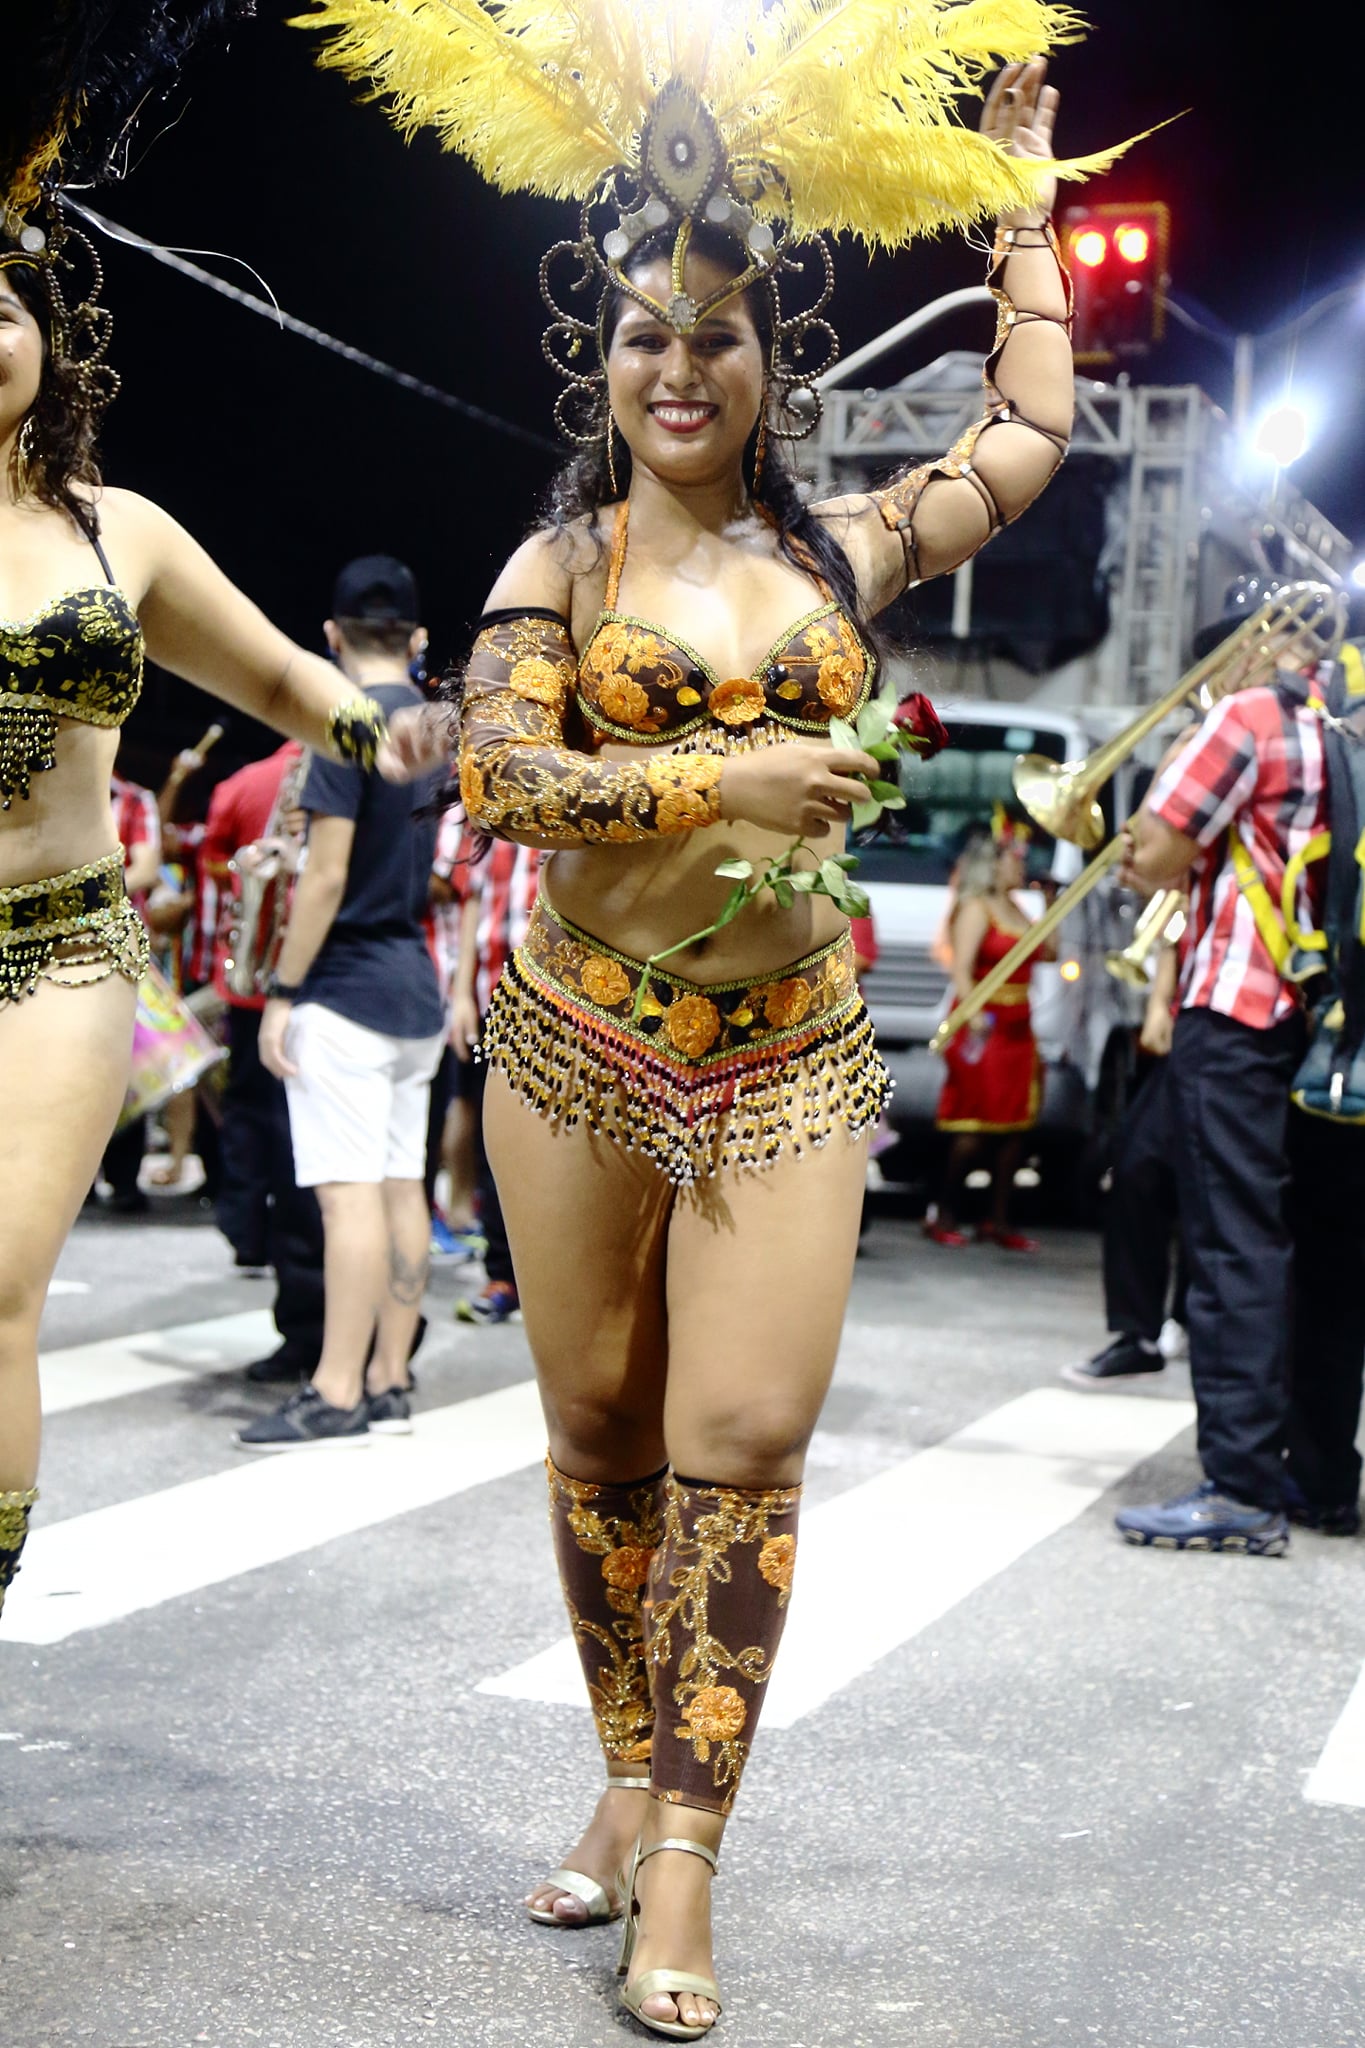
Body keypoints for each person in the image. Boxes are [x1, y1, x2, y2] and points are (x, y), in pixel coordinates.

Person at [336, 7, 1088, 2024]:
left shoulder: (840, 555)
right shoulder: (561, 566)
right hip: (579, 1044)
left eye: (719, 334)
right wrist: (717, 777)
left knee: (741, 1440)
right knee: (598, 1433)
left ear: (771, 356)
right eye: (646, 334)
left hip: (787, 1056)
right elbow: (503, 777)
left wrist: (1024, 219)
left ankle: (683, 1854)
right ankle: (622, 1765)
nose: (680, 365)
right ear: (600, 356)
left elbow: (1024, 437)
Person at [0, 175, 393, 1616]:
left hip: (57, 952)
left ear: (47, 341)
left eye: (0, 308)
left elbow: (285, 678)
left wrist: (414, 737)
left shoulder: (123, 534)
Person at [1112, 582, 1337, 1555]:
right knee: (1311, 1250)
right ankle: (1317, 1474)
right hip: (1320, 1017)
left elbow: (1152, 853)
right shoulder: (1341, 725)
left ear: (1257, 643)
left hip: (1237, 1007)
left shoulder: (1245, 717)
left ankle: (1239, 1485)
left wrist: (1164, 774)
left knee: (1231, 1245)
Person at [235, 559, 446, 1450]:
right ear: (415, 638)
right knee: (402, 1187)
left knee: (347, 1199)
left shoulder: (343, 728)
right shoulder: (435, 731)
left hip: (346, 988)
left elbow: (324, 878)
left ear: (331, 637)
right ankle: (390, 1377)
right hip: (414, 985)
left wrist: (282, 993)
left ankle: (335, 1389)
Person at [200, 738, 327, 1377]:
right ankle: (381, 1353)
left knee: (268, 1138)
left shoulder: (245, 780)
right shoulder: (394, 769)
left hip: (276, 991)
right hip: (332, 989)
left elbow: (212, 860)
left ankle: (250, 1235)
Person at [1064, 938, 1188, 1386]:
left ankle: (1190, 1319)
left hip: (1259, 1028)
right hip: (1193, 1025)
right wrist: (1158, 1002)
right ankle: (1139, 1334)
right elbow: (1177, 934)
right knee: (1136, 1166)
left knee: (1217, 1189)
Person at [926, 817, 1054, 1250]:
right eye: (1014, 859)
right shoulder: (976, 908)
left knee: (1014, 1128)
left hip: (1019, 1026)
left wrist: (1051, 904)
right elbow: (961, 969)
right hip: (984, 1026)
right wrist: (975, 1012)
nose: (1021, 866)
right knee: (973, 1125)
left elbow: (1049, 952)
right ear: (993, 864)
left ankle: (997, 1219)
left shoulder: (1018, 909)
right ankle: (943, 1212)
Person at [450, 836, 541, 1326]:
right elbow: (472, 901)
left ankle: (550, 1284)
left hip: (561, 1003)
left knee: (558, 1149)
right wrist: (461, 994)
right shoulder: (491, 820)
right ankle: (503, 1275)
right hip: (493, 997)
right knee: (497, 1146)